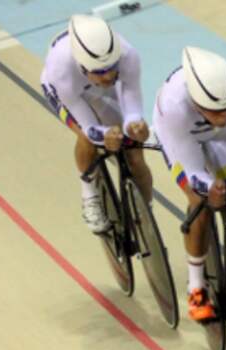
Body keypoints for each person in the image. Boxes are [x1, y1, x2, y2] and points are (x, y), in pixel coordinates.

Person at [153, 46, 226, 321]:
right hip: (182, 139)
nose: (225, 114)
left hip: (224, 138)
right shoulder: (174, 107)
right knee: (200, 202)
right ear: (196, 101)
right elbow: (193, 171)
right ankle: (195, 285)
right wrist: (208, 188)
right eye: (217, 110)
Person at [40, 14, 153, 233]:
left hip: (99, 90)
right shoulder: (60, 69)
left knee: (136, 157)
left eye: (112, 67)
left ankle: (145, 212)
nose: (108, 75)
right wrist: (103, 134)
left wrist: (133, 124)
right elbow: (89, 126)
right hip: (71, 94)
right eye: (100, 71)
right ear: (83, 67)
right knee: (86, 137)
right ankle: (89, 192)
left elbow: (131, 100)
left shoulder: (128, 55)